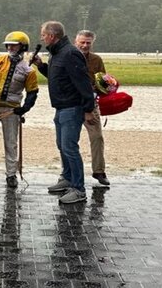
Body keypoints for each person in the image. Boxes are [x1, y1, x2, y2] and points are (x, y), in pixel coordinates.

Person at [32, 21, 95, 204]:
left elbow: (83, 83)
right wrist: (41, 66)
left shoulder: (70, 53)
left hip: (72, 108)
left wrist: (88, 109)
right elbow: (57, 77)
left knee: (70, 147)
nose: (42, 38)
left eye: (43, 35)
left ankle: (79, 189)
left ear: (51, 36)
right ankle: (67, 178)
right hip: (61, 108)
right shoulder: (57, 53)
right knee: (62, 145)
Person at [0, 31, 39, 189]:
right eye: (8, 45)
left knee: (11, 143)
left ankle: (11, 174)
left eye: (14, 44)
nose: (10, 47)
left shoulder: (29, 70)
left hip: (11, 109)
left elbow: (32, 92)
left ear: (22, 46)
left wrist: (25, 108)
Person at [74, 30, 110, 186]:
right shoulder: (69, 57)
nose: (85, 45)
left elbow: (103, 81)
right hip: (72, 103)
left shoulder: (96, 60)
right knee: (68, 141)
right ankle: (67, 174)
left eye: (88, 42)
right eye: (82, 42)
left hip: (90, 103)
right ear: (76, 42)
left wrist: (105, 87)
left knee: (97, 137)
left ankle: (99, 171)